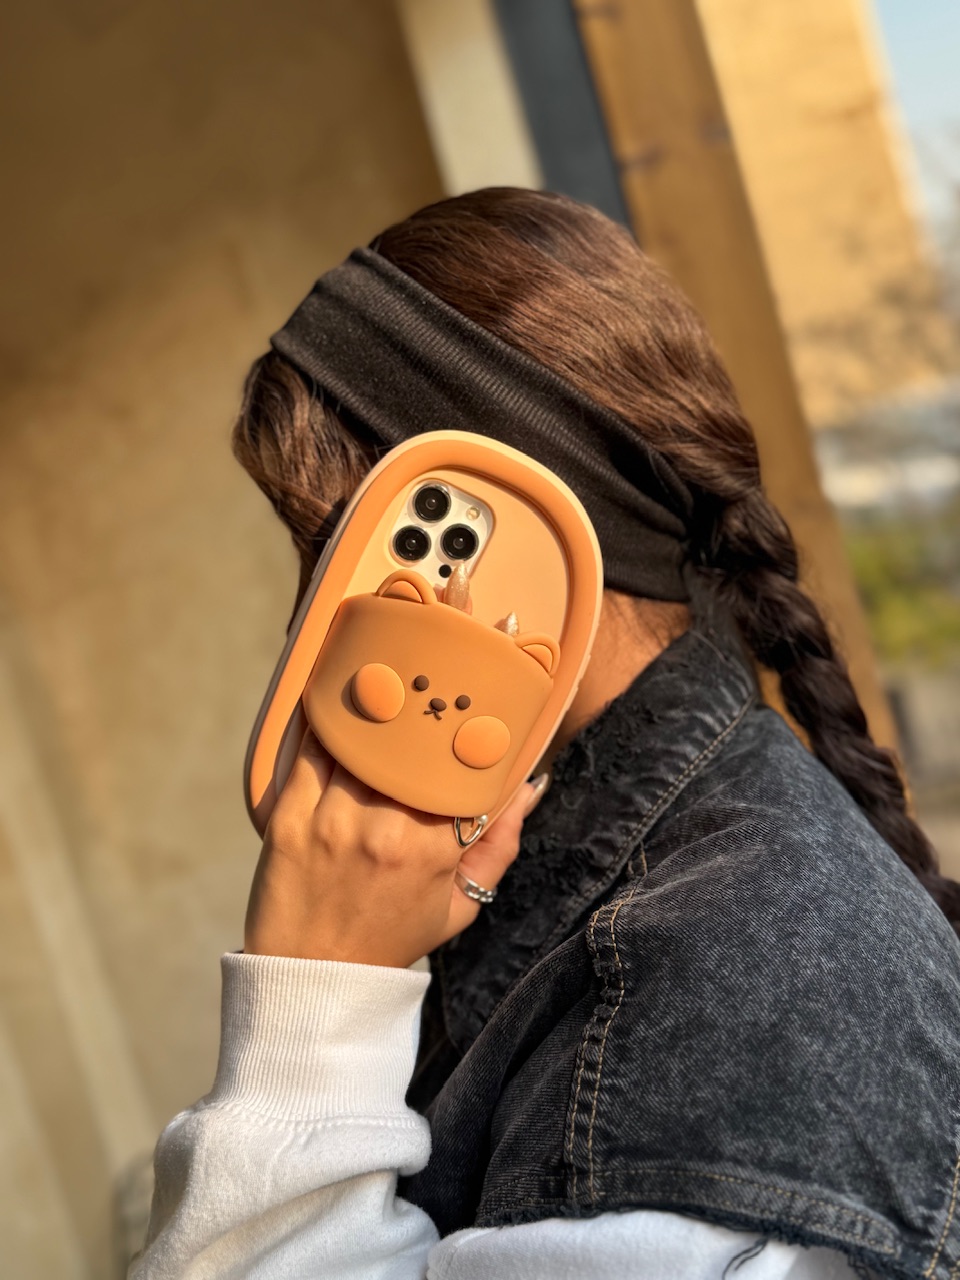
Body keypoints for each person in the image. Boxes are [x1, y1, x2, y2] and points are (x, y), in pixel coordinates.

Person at [131, 189, 960, 1280]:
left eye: (336, 550)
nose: (308, 621)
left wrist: (314, 1004)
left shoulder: (718, 1000)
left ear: (517, 537)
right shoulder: (632, 881)